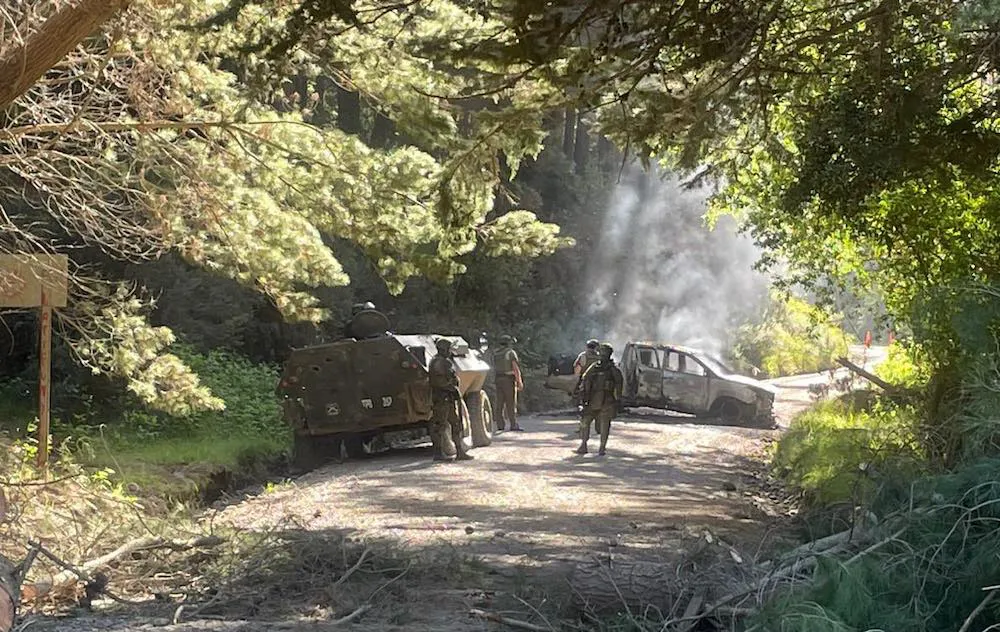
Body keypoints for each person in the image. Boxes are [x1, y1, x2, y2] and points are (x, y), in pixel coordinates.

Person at [428, 338, 473, 462]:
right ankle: (438, 453)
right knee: (440, 425)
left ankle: (459, 451)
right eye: (448, 349)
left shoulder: (439, 361)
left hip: (446, 397)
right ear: (444, 349)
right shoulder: (440, 362)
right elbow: (439, 382)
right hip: (443, 397)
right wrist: (453, 389)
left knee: (455, 424)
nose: (450, 351)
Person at [576, 343, 623, 456]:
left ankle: (602, 447)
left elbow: (619, 385)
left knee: (604, 425)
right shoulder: (594, 367)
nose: (602, 355)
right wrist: (583, 396)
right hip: (592, 400)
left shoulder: (613, 370)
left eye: (604, 352)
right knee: (585, 422)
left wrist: (618, 400)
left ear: (609, 354)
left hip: (607, 401)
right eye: (601, 352)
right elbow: (585, 380)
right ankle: (583, 444)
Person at [493, 334, 523, 432]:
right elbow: (515, 367)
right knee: (511, 403)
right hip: (508, 380)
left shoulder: (496, 353)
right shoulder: (510, 353)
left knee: (499, 403)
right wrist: (519, 381)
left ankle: (500, 425)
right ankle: (513, 425)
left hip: (498, 379)